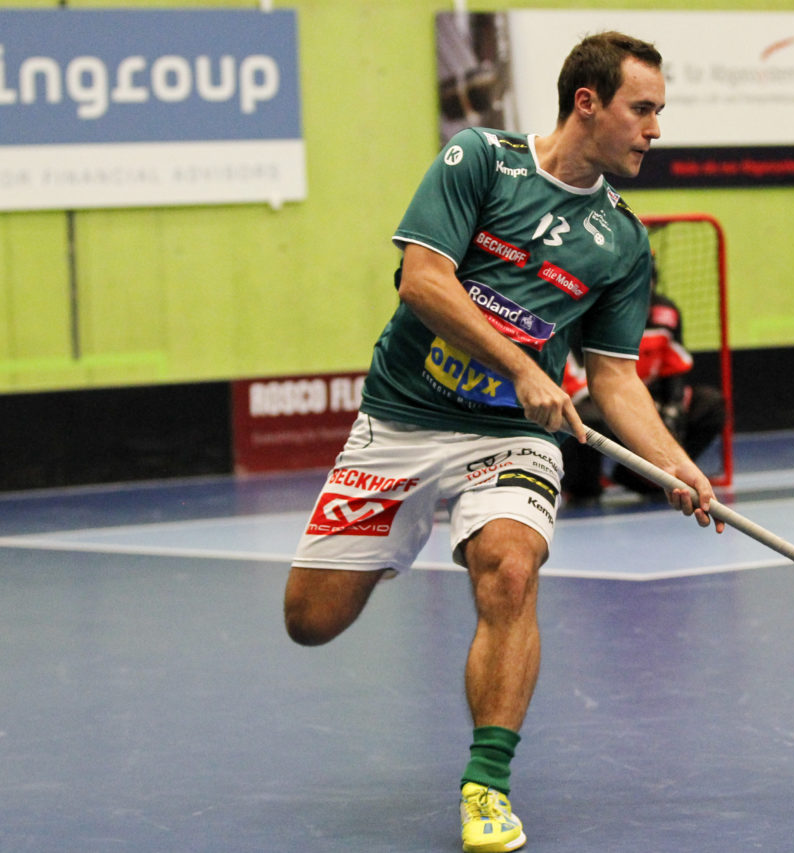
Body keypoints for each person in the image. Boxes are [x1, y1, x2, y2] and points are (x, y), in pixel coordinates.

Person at [281, 32, 723, 853]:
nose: (656, 128)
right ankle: (393, 540)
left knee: (513, 570)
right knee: (309, 620)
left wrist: (675, 462)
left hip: (512, 438)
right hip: (405, 416)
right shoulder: (481, 160)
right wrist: (524, 364)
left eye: (660, 111)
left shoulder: (622, 240)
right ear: (587, 102)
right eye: (643, 109)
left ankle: (486, 786)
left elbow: (616, 379)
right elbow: (423, 280)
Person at [560, 268, 727, 502]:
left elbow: (673, 364)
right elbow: (578, 375)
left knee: (709, 404)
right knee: (583, 418)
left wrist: (671, 407)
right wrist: (620, 406)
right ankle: (582, 487)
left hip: (649, 397)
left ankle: (644, 478)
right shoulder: (585, 314)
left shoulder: (666, 314)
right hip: (598, 399)